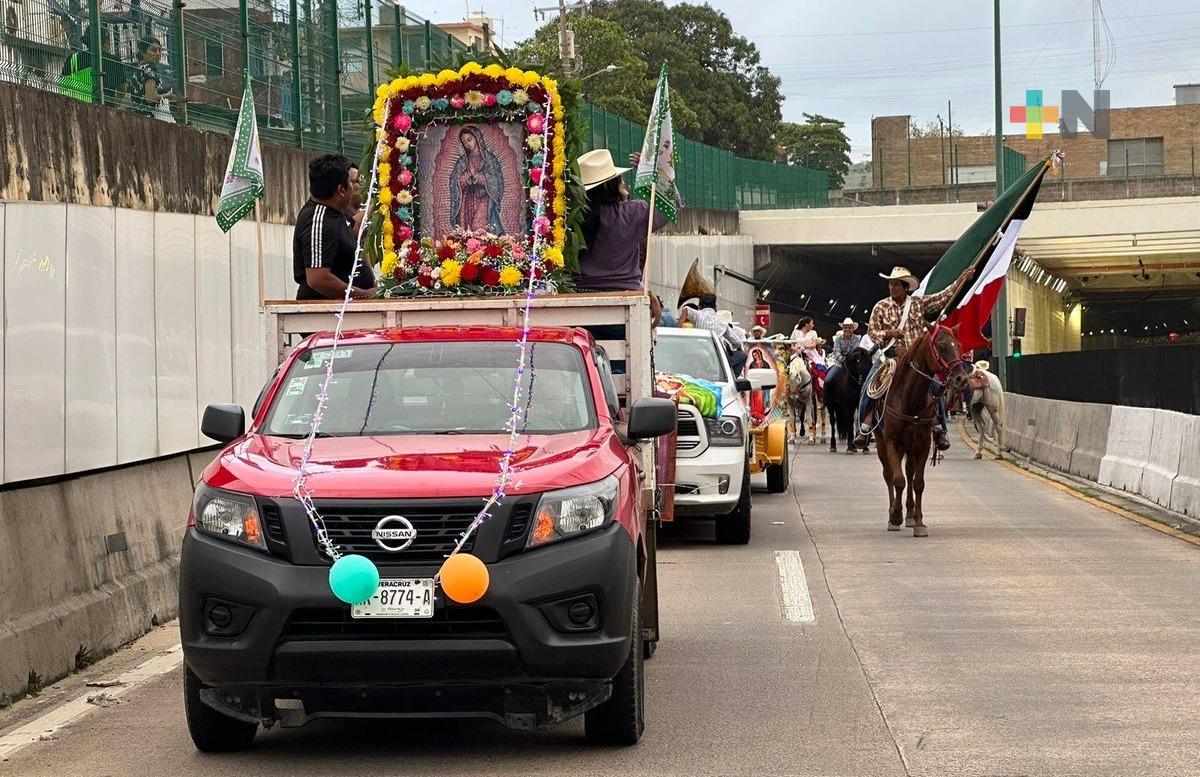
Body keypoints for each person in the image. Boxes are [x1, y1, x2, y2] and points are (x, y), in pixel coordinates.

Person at [853, 265, 975, 451]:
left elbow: (942, 298)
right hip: (890, 357)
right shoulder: (881, 306)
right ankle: (865, 426)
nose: (892, 288)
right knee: (869, 387)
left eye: (896, 285)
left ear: (905, 287)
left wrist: (961, 280)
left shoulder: (918, 304)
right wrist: (888, 333)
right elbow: (872, 332)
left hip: (917, 360)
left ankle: (939, 428)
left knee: (936, 389)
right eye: (891, 284)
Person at [573, 149, 667, 291]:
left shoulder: (570, 219)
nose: (624, 183)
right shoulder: (633, 213)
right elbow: (669, 208)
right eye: (619, 179)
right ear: (607, 185)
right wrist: (655, 173)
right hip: (627, 291)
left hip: (578, 291)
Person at [294, 154, 377, 301]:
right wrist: (364, 294)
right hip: (327, 315)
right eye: (351, 182)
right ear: (341, 189)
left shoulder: (335, 212)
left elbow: (354, 230)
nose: (355, 188)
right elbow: (318, 279)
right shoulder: (317, 219)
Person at [449, 125, 505, 234]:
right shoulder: (462, 162)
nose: (467, 144)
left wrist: (483, 179)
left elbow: (497, 181)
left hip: (484, 198)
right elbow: (454, 181)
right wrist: (464, 179)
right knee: (467, 229)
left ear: (477, 138)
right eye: (464, 142)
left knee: (479, 227)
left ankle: (486, 250)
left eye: (469, 140)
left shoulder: (489, 159)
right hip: (466, 200)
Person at [679, 292, 747, 375]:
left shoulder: (697, 315)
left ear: (699, 305)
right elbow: (737, 342)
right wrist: (739, 348)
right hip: (718, 359)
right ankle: (733, 379)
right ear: (715, 307)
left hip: (698, 355)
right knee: (742, 356)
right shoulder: (722, 321)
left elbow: (686, 309)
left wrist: (676, 330)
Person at [127, 35, 174, 122]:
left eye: (159, 50)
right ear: (143, 52)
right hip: (150, 119)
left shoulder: (137, 70)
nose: (158, 53)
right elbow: (150, 98)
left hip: (136, 117)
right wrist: (167, 96)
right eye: (153, 50)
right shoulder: (149, 70)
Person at [825, 317, 862, 384]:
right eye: (845, 327)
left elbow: (856, 350)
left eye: (849, 328)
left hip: (852, 363)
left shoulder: (857, 339)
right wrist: (841, 358)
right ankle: (825, 394)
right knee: (828, 380)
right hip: (839, 363)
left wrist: (850, 358)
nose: (847, 329)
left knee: (861, 380)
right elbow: (837, 351)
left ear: (853, 329)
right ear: (843, 328)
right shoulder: (838, 339)